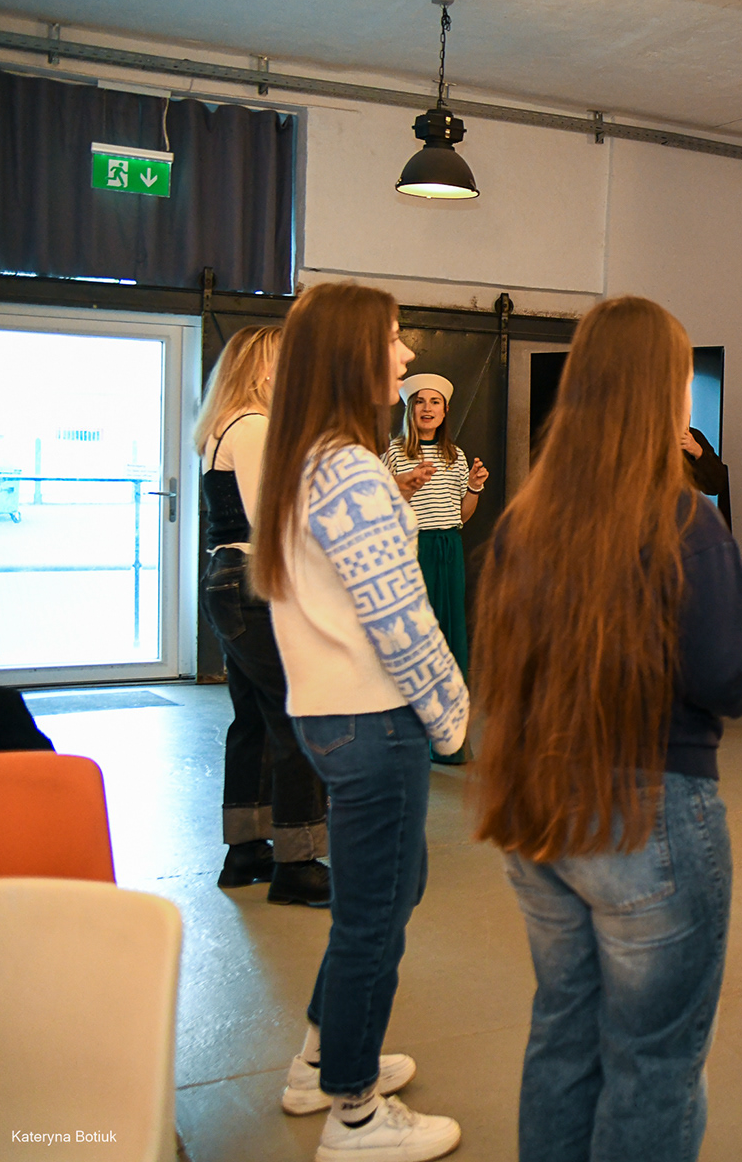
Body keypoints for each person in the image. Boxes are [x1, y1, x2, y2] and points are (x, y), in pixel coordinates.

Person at [474, 295, 742, 1162]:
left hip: (538, 817)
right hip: (648, 822)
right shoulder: (687, 524)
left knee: (563, 1035)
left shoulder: (524, 523)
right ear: (664, 394)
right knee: (654, 1062)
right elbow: (724, 678)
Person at [254, 282, 470, 1161]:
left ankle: (322, 1056)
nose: (406, 355)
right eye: (392, 339)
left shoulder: (307, 458)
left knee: (388, 891)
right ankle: (353, 1112)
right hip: (374, 720)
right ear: (352, 354)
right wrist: (451, 716)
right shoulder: (349, 468)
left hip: (334, 716)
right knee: (375, 914)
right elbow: (399, 615)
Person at [197, 325, 330, 905]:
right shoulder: (253, 427)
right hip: (256, 581)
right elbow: (270, 518)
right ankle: (298, 861)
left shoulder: (223, 426)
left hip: (230, 580)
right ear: (265, 368)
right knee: (296, 717)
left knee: (252, 719)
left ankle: (246, 849)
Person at [385, 373, 486, 766]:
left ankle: (449, 739)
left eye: (435, 402)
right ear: (410, 409)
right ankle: (406, 738)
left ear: (445, 411)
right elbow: (385, 506)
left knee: (449, 636)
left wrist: (473, 487)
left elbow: (461, 514)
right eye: (420, 401)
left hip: (449, 549)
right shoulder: (394, 453)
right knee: (414, 639)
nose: (427, 408)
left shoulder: (455, 456)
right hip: (413, 550)